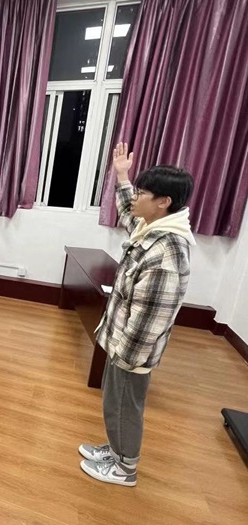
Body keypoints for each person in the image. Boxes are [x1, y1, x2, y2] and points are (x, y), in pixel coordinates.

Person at [79, 143, 195, 487]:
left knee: (125, 406)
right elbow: (129, 215)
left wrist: (124, 359)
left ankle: (125, 468)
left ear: (163, 202)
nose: (135, 198)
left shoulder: (167, 252)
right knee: (114, 401)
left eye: (142, 193)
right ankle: (116, 451)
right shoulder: (154, 229)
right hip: (123, 343)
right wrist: (122, 176)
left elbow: (149, 320)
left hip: (132, 352)